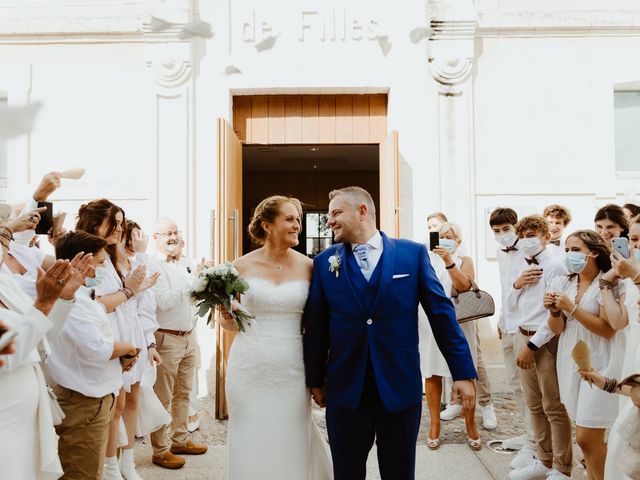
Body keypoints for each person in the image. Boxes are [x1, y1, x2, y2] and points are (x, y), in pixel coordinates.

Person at [304, 186, 476, 480]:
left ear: (362, 211)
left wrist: (462, 372)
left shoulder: (412, 254)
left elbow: (442, 316)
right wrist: (315, 379)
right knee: (346, 473)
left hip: (399, 387)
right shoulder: (324, 263)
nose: (329, 221)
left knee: (399, 473)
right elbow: (316, 327)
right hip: (346, 391)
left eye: (336, 213)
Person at [220, 196, 332, 480]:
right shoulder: (239, 266)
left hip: (292, 365)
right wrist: (228, 315)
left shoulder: (310, 266)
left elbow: (318, 323)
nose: (297, 225)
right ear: (267, 225)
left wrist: (321, 372)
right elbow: (228, 324)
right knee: (250, 433)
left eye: (298, 220)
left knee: (291, 432)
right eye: (290, 219)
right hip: (249, 365)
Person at [1, 215, 91, 479]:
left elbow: (43, 336)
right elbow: (7, 354)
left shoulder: (5, 285)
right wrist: (43, 303)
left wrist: (63, 298)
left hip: (28, 420)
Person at [47, 231, 140, 480]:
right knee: (81, 474)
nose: (103, 268)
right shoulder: (73, 302)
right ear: (81, 262)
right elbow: (98, 349)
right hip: (83, 403)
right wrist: (128, 348)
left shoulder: (85, 298)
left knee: (93, 472)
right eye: (100, 262)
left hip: (96, 399)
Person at [76, 199, 157, 480]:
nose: (120, 228)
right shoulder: (88, 257)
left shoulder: (111, 256)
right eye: (116, 222)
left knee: (129, 400)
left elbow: (131, 292)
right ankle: (110, 466)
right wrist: (130, 292)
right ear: (95, 223)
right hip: (107, 333)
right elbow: (92, 302)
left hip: (128, 330)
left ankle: (126, 462)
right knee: (115, 406)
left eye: (122, 223)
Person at [547, 230, 628, 480]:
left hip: (601, 360)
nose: (569, 254)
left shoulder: (609, 282)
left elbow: (607, 329)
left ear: (592, 252)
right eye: (567, 250)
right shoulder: (564, 282)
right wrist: (554, 312)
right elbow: (558, 329)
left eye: (575, 250)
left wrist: (571, 307)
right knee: (585, 438)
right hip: (570, 359)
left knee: (586, 437)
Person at [507, 214, 572, 480]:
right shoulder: (519, 263)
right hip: (521, 333)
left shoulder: (557, 264)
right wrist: (517, 284)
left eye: (532, 236)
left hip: (544, 340)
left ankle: (562, 468)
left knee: (553, 406)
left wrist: (531, 346)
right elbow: (510, 303)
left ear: (546, 237)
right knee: (533, 403)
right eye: (522, 236)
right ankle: (543, 460)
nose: (526, 241)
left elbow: (556, 314)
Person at [148, 218, 207, 470]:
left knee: (184, 392)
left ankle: (180, 439)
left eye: (175, 232)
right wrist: (191, 280)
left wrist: (201, 276)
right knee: (163, 395)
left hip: (188, 336)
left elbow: (191, 298)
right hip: (166, 337)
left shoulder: (185, 264)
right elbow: (163, 301)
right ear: (156, 237)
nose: (172, 237)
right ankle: (160, 450)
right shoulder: (153, 266)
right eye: (167, 233)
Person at [433, 222, 488, 443]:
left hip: (461, 321)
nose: (446, 238)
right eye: (442, 235)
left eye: (450, 236)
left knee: (466, 370)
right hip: (433, 321)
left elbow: (464, 286)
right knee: (434, 371)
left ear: (458, 240)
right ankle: (436, 423)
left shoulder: (464, 260)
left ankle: (471, 423)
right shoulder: (428, 260)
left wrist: (448, 260)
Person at [489, 208, 536, 468]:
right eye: (496, 232)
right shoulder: (499, 252)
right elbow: (506, 287)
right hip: (507, 324)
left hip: (525, 326)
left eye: (506, 230)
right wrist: (502, 319)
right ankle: (529, 433)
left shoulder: (529, 252)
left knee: (530, 386)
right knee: (514, 384)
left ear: (515, 227)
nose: (502, 235)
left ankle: (536, 442)